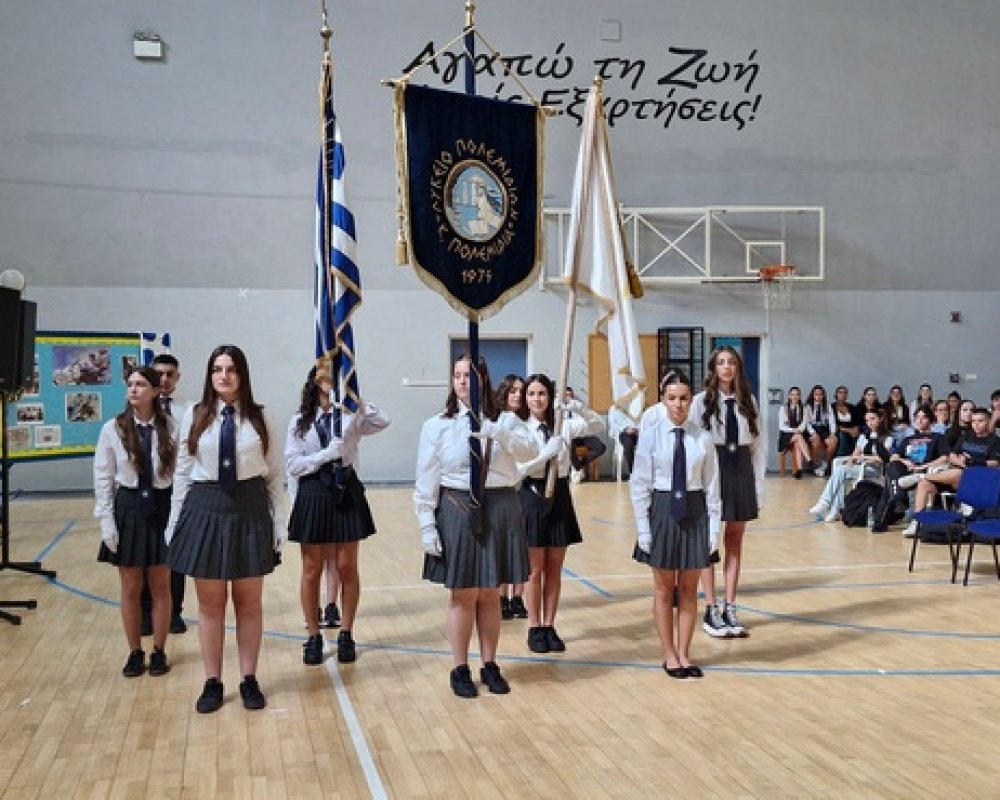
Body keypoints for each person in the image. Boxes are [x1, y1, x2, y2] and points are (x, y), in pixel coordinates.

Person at [165, 345, 283, 714]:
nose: (224, 376)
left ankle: (249, 678)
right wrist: (174, 522)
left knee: (248, 603)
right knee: (210, 604)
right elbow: (182, 472)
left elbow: (275, 474)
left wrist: (279, 522)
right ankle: (212, 681)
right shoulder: (195, 415)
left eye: (231, 369)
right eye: (217, 369)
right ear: (209, 375)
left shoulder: (262, 417)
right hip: (206, 506)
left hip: (250, 508)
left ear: (242, 374)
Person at [414, 355, 536, 698]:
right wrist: (427, 524)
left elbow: (529, 451)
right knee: (463, 593)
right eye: (457, 375)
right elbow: (426, 477)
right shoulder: (437, 425)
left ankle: (490, 664)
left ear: (483, 379)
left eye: (468, 375)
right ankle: (460, 667)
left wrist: (500, 433)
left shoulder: (506, 420)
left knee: (490, 592)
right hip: (458, 505)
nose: (462, 381)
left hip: (500, 506)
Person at [286, 362, 390, 666]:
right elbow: (293, 464)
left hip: (345, 489)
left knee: (347, 567)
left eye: (336, 378)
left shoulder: (349, 416)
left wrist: (356, 399)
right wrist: (324, 456)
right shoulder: (299, 422)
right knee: (311, 569)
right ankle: (313, 635)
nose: (331, 382)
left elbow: (383, 421)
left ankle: (346, 632)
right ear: (314, 382)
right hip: (314, 492)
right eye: (326, 377)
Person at [631, 369, 719, 679]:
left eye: (683, 398)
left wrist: (714, 530)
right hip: (663, 510)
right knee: (663, 589)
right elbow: (639, 485)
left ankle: (684, 653)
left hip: (695, 511)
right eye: (672, 398)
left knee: (689, 588)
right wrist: (643, 528)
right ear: (663, 400)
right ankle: (668, 653)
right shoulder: (651, 436)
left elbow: (712, 488)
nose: (678, 405)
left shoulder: (703, 438)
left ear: (691, 400)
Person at [94, 366, 177, 678]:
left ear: (155, 391)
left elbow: (181, 473)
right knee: (130, 586)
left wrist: (178, 517)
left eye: (141, 384)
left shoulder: (171, 427)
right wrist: (106, 521)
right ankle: (134, 651)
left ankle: (158, 650)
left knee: (160, 584)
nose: (133, 389)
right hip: (128, 505)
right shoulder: (112, 429)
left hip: (161, 504)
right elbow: (103, 477)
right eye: (130, 384)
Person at [518, 373, 604, 653]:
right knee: (535, 570)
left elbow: (597, 425)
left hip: (560, 494)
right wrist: (545, 455)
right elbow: (519, 469)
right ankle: (534, 627)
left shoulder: (562, 425)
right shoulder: (520, 428)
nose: (537, 399)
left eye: (542, 393)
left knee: (554, 569)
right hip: (532, 494)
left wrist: (573, 404)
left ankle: (549, 625)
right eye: (532, 394)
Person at [690, 346, 765, 639]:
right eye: (721, 362)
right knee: (709, 540)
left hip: (741, 468)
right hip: (713, 468)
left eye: (731, 362)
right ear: (713, 368)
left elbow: (757, 447)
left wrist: (758, 487)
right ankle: (710, 607)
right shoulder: (701, 402)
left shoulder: (748, 400)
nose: (726, 367)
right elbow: (693, 443)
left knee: (735, 540)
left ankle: (730, 605)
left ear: (738, 368)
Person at [140, 353, 188, 636]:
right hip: (146, 489)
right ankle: (147, 612)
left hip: (176, 489)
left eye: (170, 374)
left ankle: (174, 612)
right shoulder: (139, 410)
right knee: (146, 552)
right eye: (159, 374)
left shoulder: (188, 411)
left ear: (177, 377)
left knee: (174, 552)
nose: (165, 379)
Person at [903, 406, 1000, 536]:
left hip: (978, 482)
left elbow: (994, 463)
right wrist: (961, 462)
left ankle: (922, 476)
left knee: (961, 473)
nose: (976, 425)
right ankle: (916, 522)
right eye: (973, 421)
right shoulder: (966, 436)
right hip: (955, 477)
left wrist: (972, 462)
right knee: (924, 485)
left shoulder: (995, 441)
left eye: (980, 421)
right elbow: (952, 455)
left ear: (988, 422)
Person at [808, 408, 892, 522]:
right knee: (839, 467)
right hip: (861, 465)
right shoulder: (864, 436)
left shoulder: (887, 437)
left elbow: (884, 458)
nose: (870, 423)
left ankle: (825, 502)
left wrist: (864, 458)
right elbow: (856, 453)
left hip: (875, 469)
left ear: (880, 419)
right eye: (867, 420)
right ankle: (835, 509)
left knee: (841, 471)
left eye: (873, 419)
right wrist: (851, 460)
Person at [494, 373, 529, 620]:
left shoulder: (525, 422)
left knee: (521, 546)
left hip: (526, 488)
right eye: (513, 391)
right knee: (503, 545)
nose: (517, 395)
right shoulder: (497, 420)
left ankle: (517, 596)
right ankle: (501, 596)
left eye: (521, 391)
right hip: (506, 489)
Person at [777, 386, 810, 479]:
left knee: (797, 443)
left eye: (797, 395)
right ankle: (809, 459)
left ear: (800, 396)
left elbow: (804, 423)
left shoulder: (804, 408)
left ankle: (798, 471)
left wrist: (798, 430)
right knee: (798, 437)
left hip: (799, 434)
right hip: (786, 436)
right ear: (789, 396)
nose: (795, 397)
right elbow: (781, 426)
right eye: (792, 394)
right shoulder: (783, 409)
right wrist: (793, 430)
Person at [805, 384, 838, 476]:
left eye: (820, 394)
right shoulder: (808, 407)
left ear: (823, 396)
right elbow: (806, 423)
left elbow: (832, 421)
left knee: (833, 441)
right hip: (812, 429)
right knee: (816, 442)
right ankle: (815, 465)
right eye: (816, 394)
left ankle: (824, 464)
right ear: (813, 395)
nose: (818, 397)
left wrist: (833, 433)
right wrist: (813, 433)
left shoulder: (827, 406)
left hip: (824, 429)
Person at [832, 385, 859, 457]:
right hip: (838, 430)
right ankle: (841, 457)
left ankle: (855, 456)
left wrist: (855, 429)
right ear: (836, 395)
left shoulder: (851, 407)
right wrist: (848, 430)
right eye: (840, 392)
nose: (843, 395)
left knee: (858, 435)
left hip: (851, 429)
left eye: (845, 393)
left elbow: (856, 421)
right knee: (842, 435)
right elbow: (832, 424)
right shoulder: (832, 407)